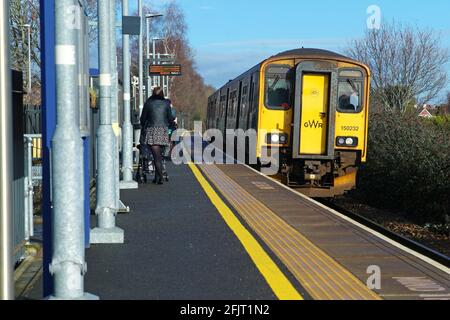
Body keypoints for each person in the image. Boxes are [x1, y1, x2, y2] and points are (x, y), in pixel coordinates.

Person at [140, 87, 175, 185]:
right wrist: (171, 128)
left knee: (156, 157)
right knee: (159, 156)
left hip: (152, 130)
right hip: (163, 130)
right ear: (162, 94)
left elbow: (143, 118)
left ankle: (160, 177)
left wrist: (144, 126)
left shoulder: (148, 103)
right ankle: (158, 177)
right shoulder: (166, 104)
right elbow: (170, 118)